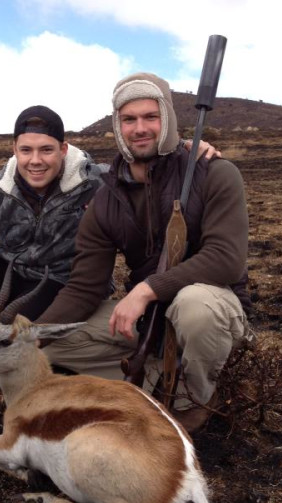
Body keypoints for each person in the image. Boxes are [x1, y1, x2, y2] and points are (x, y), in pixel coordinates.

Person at [0, 104, 219, 394]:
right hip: (14, 278)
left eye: (46, 150)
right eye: (27, 150)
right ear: (15, 150)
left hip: (69, 289)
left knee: (36, 344)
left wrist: (181, 152)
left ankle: (28, 365)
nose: (36, 160)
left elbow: (150, 174)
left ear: (63, 149)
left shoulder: (98, 182)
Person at [36, 73, 253, 433]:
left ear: (167, 120)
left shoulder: (215, 172)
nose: (140, 128)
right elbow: (83, 288)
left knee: (194, 306)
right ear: (117, 125)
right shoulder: (107, 198)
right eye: (129, 119)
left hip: (214, 309)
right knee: (48, 349)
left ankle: (193, 401)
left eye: (151, 117)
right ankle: (156, 375)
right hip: (150, 319)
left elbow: (226, 259)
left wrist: (146, 289)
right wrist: (25, 338)